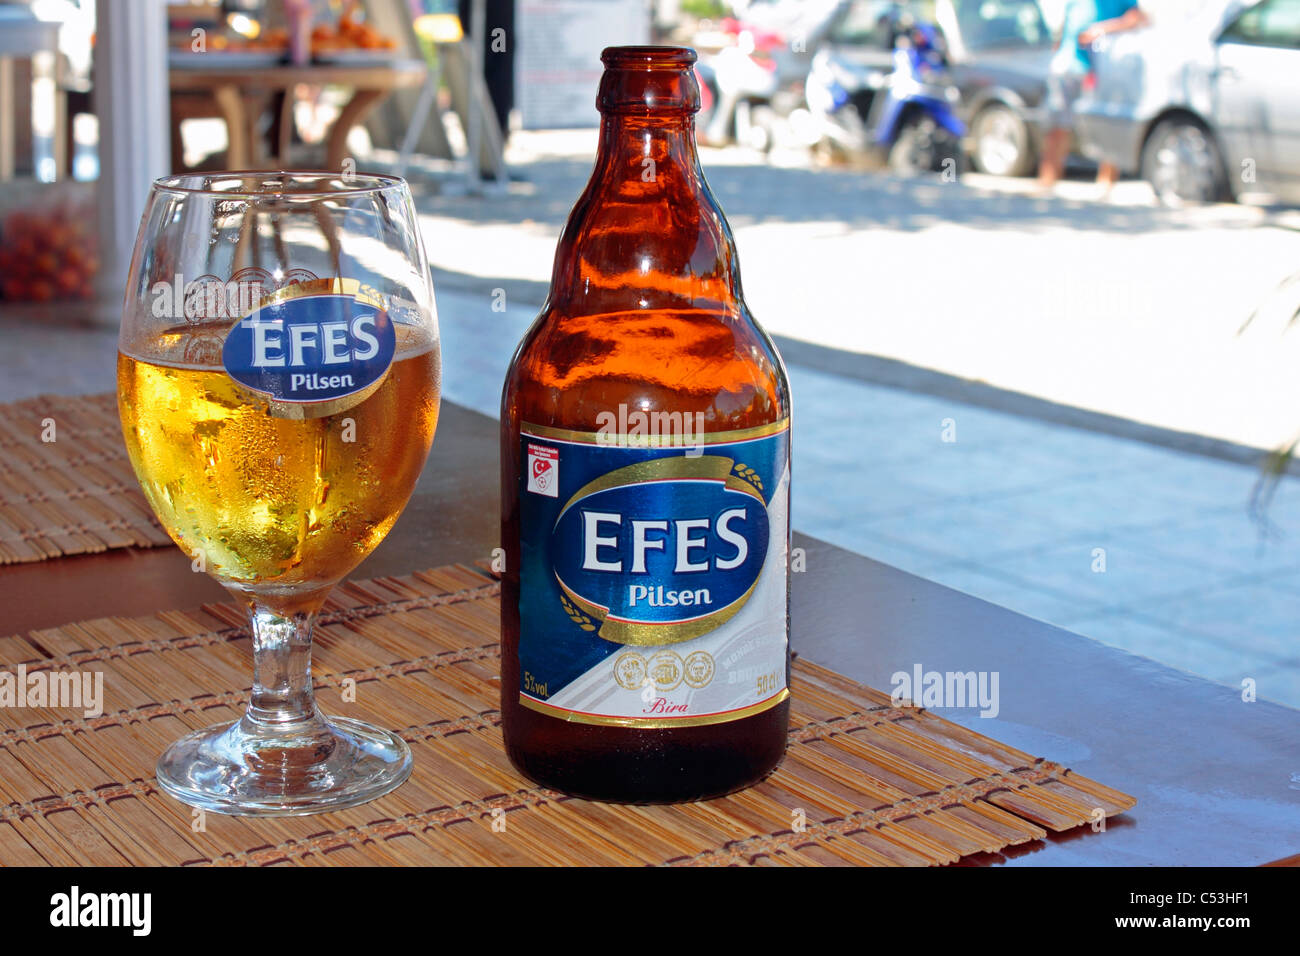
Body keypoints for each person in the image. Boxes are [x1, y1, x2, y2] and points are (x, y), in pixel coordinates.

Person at [1037, 0, 1148, 192]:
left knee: (1107, 121)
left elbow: (1138, 18)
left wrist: (1102, 29)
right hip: (1067, 66)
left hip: (1101, 69)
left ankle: (1105, 184)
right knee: (1057, 125)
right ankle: (1047, 182)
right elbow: (1066, 25)